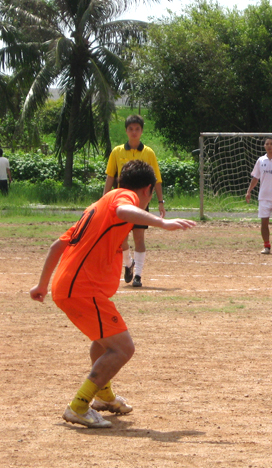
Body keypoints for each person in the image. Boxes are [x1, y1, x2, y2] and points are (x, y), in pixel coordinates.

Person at [30, 160, 196, 428]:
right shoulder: (124, 197)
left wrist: (41, 285)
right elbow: (124, 209)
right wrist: (161, 222)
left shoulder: (97, 207)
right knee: (123, 348)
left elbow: (56, 246)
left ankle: (104, 396)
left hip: (75, 287)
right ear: (147, 189)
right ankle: (79, 405)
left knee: (104, 342)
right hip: (82, 289)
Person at [104, 114, 165, 288]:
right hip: (121, 202)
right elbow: (110, 176)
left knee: (139, 238)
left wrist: (161, 201)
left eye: (137, 129)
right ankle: (128, 263)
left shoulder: (148, 153)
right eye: (130, 129)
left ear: (142, 131)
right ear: (126, 131)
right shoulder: (117, 152)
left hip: (141, 202)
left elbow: (157, 179)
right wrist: (104, 198)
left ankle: (138, 275)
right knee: (121, 239)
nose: (134, 132)